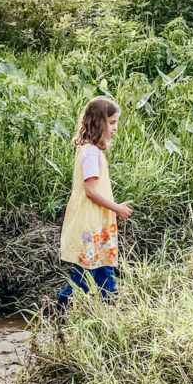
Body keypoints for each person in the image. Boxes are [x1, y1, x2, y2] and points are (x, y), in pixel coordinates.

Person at [58, 96, 133, 307]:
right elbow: (90, 191)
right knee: (91, 271)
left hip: (96, 224)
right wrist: (117, 208)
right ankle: (63, 306)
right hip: (92, 225)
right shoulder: (91, 153)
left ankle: (104, 311)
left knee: (99, 269)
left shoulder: (91, 151)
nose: (115, 128)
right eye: (112, 122)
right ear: (99, 122)